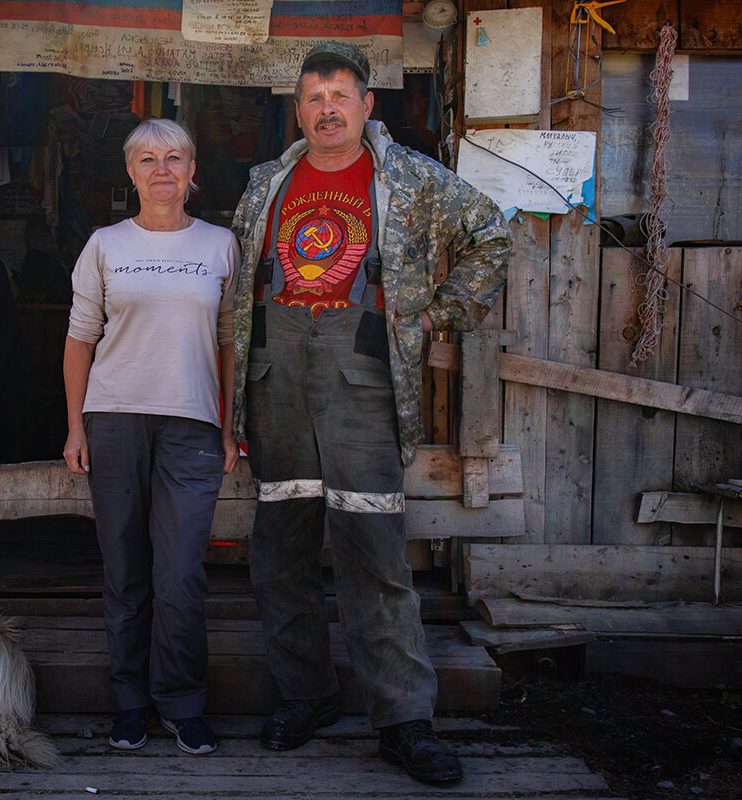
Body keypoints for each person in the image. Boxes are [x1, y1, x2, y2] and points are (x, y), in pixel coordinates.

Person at [229, 42, 512, 784]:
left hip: (362, 376)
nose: (327, 108)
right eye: (313, 96)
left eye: (340, 95)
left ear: (365, 105)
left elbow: (493, 231)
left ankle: (403, 720)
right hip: (275, 378)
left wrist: (437, 315)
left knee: (373, 551)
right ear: (298, 109)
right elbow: (237, 298)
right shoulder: (264, 184)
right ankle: (307, 695)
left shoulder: (411, 179)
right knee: (281, 547)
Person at [63, 118, 241, 756]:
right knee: (125, 572)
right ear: (131, 172)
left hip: (191, 424)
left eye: (174, 158)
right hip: (113, 419)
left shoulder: (221, 245)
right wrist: (74, 425)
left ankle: (183, 703)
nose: (161, 170)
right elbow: (81, 338)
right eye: (147, 159)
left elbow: (229, 340)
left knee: (181, 574)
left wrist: (228, 424)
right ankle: (131, 703)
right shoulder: (105, 243)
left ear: (193, 172)